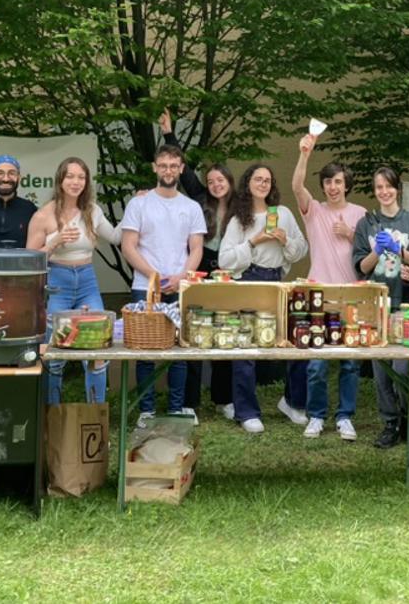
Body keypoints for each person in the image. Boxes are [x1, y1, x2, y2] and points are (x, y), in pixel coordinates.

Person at [119, 144, 206, 424]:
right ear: (155, 168)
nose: (168, 170)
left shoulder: (191, 207)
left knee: (179, 351)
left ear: (181, 169)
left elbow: (196, 249)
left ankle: (176, 408)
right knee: (145, 352)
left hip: (179, 286)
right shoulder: (139, 204)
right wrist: (154, 276)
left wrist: (182, 277)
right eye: (163, 165)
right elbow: (128, 246)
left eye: (174, 165)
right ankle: (146, 410)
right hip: (145, 286)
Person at [218, 164, 308, 434]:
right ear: (248, 184)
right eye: (258, 179)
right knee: (245, 347)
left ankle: (293, 402)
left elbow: (301, 249)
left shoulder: (282, 214)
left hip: (277, 280)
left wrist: (285, 241)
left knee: (294, 342)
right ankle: (246, 411)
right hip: (248, 280)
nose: (263, 183)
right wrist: (254, 242)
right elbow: (225, 259)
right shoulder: (238, 220)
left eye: (267, 179)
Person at [291, 133, 367, 441]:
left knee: (350, 362)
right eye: (328, 182)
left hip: (352, 294)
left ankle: (345, 417)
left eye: (338, 182)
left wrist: (350, 233)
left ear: (346, 184)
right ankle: (317, 416)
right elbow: (296, 186)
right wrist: (304, 154)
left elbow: (368, 254)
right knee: (316, 363)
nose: (332, 187)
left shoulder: (361, 214)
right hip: (317, 293)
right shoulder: (315, 211)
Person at [158, 109, 235, 413]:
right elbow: (183, 169)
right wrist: (168, 132)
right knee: (193, 331)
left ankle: (223, 399)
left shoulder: (241, 207)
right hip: (201, 266)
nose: (216, 184)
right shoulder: (199, 198)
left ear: (229, 182)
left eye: (221, 180)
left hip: (230, 272)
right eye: (211, 180)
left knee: (225, 331)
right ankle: (189, 401)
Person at [27, 157, 119, 405]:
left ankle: (96, 415)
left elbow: (116, 237)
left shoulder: (93, 211)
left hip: (87, 281)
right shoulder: (44, 214)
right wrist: (55, 242)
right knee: (56, 353)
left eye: (81, 177)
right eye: (70, 176)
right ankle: (52, 416)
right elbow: (29, 260)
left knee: (97, 348)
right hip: (58, 281)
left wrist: (140, 206)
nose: (76, 182)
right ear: (60, 179)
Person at [352, 167, 409, 449]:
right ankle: (389, 422)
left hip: (404, 304)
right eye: (379, 187)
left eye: (389, 186)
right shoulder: (366, 224)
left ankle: (408, 417)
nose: (384, 192)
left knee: (402, 366)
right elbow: (361, 267)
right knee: (381, 367)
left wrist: (398, 249)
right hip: (376, 304)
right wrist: (377, 250)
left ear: (398, 189)